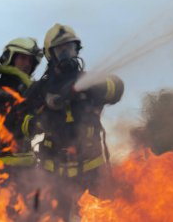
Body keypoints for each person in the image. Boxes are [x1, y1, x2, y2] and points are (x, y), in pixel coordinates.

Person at [14, 24, 124, 220]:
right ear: (50, 54)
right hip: (54, 176)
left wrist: (90, 88)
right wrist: (39, 121)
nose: (67, 54)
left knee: (107, 214)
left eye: (71, 48)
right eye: (61, 50)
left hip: (93, 172)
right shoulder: (39, 89)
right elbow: (18, 121)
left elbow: (116, 88)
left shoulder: (89, 80)